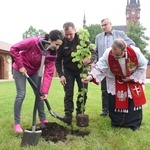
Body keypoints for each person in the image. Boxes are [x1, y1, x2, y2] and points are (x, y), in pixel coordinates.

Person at [82, 39, 147, 131]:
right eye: (114, 55)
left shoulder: (135, 52)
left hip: (131, 79)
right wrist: (90, 76)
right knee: (114, 100)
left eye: (118, 56)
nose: (115, 58)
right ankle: (117, 123)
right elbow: (100, 67)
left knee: (132, 102)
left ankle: (134, 124)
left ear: (124, 51)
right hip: (115, 78)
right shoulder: (108, 53)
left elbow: (143, 65)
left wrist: (132, 78)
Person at [10, 30, 64, 133]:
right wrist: (20, 66)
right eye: (56, 44)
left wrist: (45, 91)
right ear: (50, 40)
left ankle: (42, 119)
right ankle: (17, 123)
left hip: (33, 71)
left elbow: (48, 72)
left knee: (40, 94)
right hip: (20, 69)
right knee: (21, 94)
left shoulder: (52, 54)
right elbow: (14, 49)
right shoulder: (34, 41)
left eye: (59, 46)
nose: (57, 48)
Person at [55, 22, 97, 125]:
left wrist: (89, 59)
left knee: (83, 92)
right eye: (66, 34)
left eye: (71, 34)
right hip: (68, 71)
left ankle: (80, 113)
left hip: (82, 71)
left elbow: (94, 53)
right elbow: (58, 60)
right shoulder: (62, 43)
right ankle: (68, 116)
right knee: (68, 93)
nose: (68, 37)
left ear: (75, 30)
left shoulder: (82, 40)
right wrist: (61, 75)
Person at [95, 18, 135, 117]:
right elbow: (95, 52)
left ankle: (117, 109)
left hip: (118, 67)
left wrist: (124, 53)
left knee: (118, 88)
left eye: (105, 24)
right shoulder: (98, 37)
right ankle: (105, 110)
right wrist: (94, 62)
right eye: (102, 25)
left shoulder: (120, 34)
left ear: (111, 24)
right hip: (104, 67)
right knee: (104, 90)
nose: (104, 27)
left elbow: (132, 44)